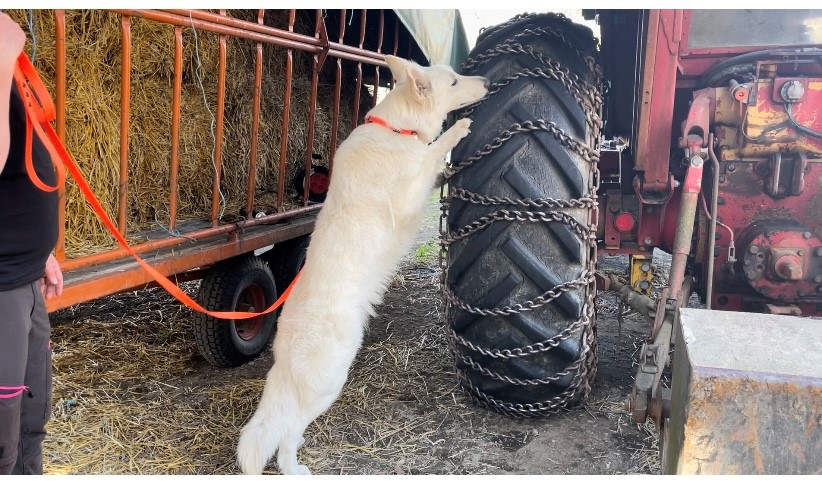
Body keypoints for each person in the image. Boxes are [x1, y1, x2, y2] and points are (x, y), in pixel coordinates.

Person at [0, 11, 64, 475]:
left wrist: (39, 251)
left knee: (30, 424)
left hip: (22, 273)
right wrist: (3, 55)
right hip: (1, 283)